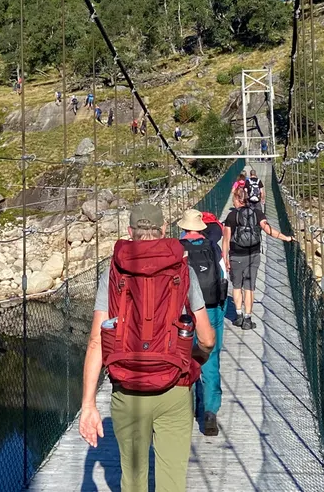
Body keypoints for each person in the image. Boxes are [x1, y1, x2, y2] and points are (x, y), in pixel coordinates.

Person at [79, 203, 216, 492]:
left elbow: (96, 341)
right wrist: (196, 360)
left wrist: (88, 404)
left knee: (132, 481)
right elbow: (206, 338)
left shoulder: (113, 273)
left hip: (127, 389)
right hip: (175, 388)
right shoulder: (184, 269)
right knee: (172, 483)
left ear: (129, 232)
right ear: (165, 230)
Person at [178, 208, 227, 436]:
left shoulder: (176, 248)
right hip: (211, 308)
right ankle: (209, 412)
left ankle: (187, 409)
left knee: (184, 357)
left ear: (183, 227)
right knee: (211, 356)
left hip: (184, 311)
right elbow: (223, 277)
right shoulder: (212, 246)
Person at [224, 172, 293, 330]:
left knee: (236, 286)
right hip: (253, 255)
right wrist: (286, 238)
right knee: (249, 287)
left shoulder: (231, 216)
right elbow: (268, 230)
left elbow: (226, 240)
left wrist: (225, 258)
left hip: (236, 255)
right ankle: (248, 319)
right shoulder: (257, 212)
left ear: (237, 199)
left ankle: (239, 316)